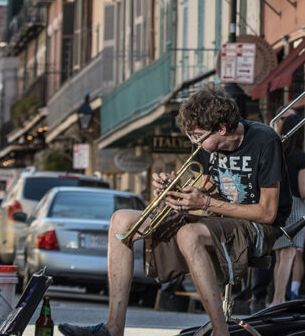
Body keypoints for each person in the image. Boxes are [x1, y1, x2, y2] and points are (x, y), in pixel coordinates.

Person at [59, 84, 290, 336]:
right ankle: (113, 328)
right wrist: (175, 189)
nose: (194, 142)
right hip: (218, 219)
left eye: (197, 135)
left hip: (259, 228)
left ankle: (220, 332)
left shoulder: (264, 140)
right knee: (121, 219)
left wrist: (205, 204)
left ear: (222, 129)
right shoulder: (205, 145)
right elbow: (208, 188)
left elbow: (267, 213)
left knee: (189, 234)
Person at [269, 110, 305, 307]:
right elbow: (304, 191)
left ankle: (276, 298)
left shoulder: (276, 154)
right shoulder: (302, 158)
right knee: (289, 254)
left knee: (279, 257)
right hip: (295, 208)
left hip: (276, 206)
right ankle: (278, 300)